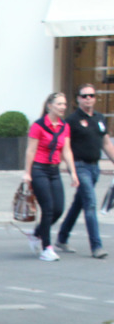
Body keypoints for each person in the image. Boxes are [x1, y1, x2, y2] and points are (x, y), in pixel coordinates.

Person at [55, 83, 114, 258]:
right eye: (84, 96)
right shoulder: (72, 121)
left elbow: (106, 144)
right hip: (80, 167)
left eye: (91, 96)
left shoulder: (100, 118)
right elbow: (64, 147)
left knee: (78, 204)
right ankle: (96, 246)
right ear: (78, 99)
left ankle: (62, 237)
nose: (88, 99)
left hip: (95, 167)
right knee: (90, 203)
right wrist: (71, 168)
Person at [22, 92, 79, 261]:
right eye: (59, 104)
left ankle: (37, 233)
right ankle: (47, 247)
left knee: (59, 209)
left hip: (54, 170)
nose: (63, 107)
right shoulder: (38, 126)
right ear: (49, 106)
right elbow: (30, 150)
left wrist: (73, 172)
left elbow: (66, 150)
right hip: (39, 169)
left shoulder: (64, 126)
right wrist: (27, 173)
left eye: (64, 104)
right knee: (47, 208)